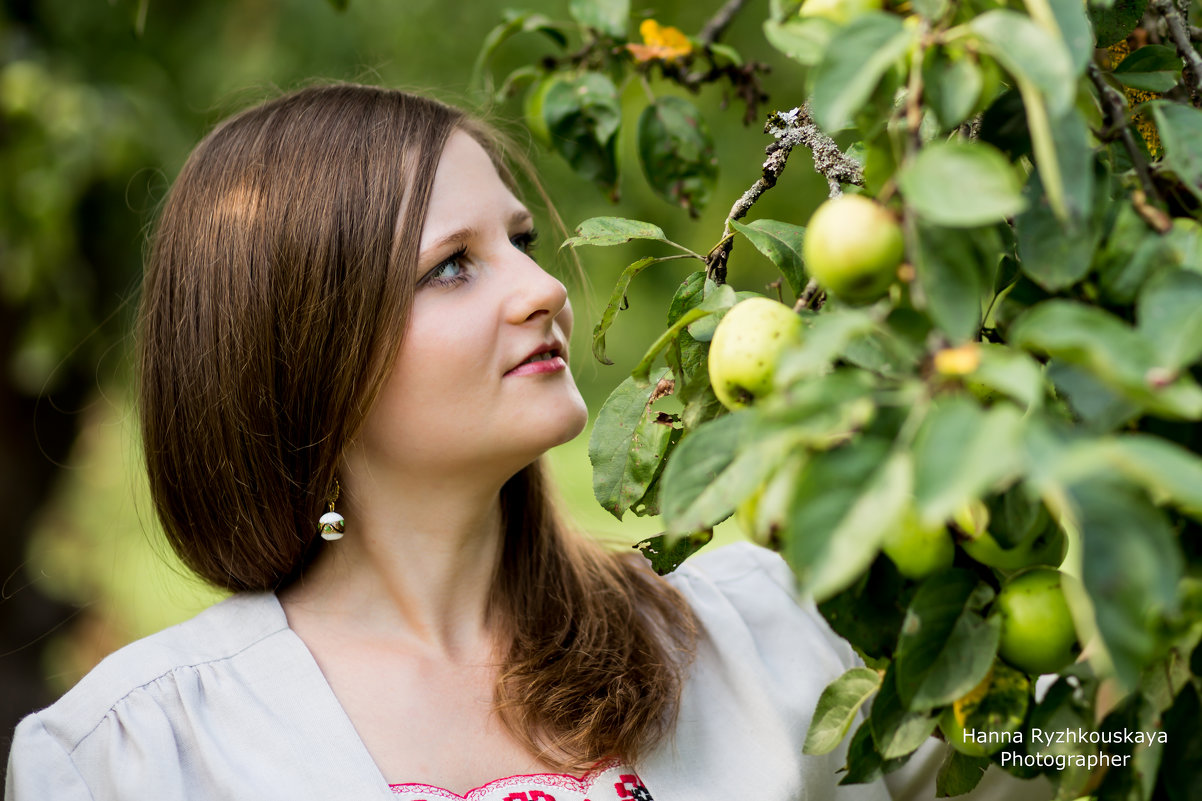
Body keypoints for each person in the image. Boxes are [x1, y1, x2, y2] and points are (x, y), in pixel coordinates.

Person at [5, 84, 1037, 801]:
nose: (542, 289)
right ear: (307, 353)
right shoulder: (133, 754)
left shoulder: (753, 641)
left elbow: (1097, 742)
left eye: (520, 242)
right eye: (452, 265)